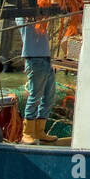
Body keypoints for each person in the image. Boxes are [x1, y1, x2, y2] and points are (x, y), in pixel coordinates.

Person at [16, 16, 57, 144]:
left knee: (49, 98)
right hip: (34, 60)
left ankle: (40, 131)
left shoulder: (41, 16)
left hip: (46, 60)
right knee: (35, 97)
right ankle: (27, 133)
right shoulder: (22, 17)